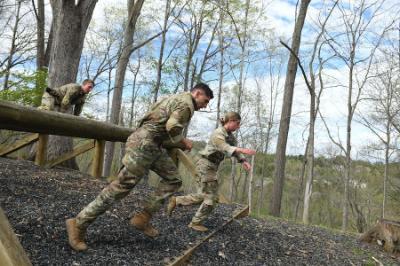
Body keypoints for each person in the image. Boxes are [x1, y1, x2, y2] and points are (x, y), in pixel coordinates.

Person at [66, 83, 213, 251]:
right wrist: (183, 140)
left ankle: (143, 218)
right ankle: (78, 223)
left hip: (152, 145)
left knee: (173, 180)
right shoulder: (187, 104)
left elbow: (150, 118)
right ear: (197, 93)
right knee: (120, 187)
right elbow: (172, 126)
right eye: (205, 100)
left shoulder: (174, 97)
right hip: (144, 144)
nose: (205, 105)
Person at [167, 111, 256, 232]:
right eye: (237, 123)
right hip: (206, 166)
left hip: (212, 167)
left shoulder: (230, 136)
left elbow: (234, 151)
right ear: (230, 121)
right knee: (212, 197)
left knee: (204, 195)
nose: (238, 126)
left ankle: (177, 200)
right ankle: (195, 222)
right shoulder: (218, 133)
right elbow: (225, 147)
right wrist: (243, 150)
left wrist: (243, 160)